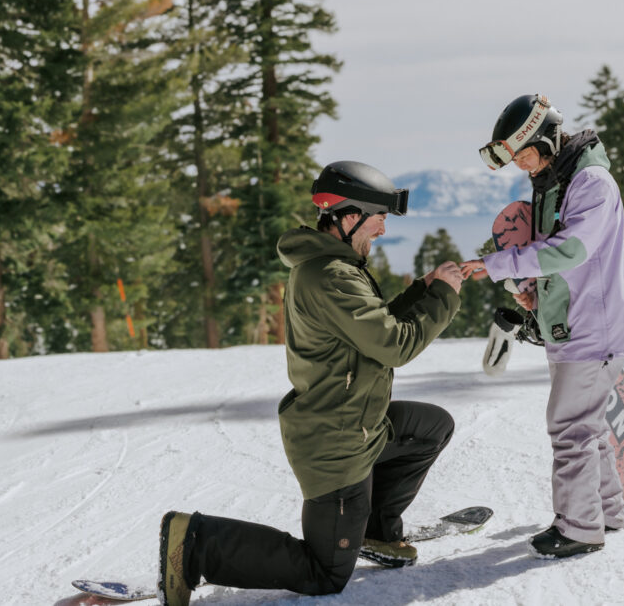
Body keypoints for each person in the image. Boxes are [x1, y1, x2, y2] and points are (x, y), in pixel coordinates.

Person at [158, 161, 464, 605]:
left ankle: (374, 531)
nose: (381, 231)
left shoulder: (333, 267)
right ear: (346, 216)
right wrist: (444, 297)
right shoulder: (331, 276)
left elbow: (373, 327)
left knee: (431, 427)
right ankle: (197, 542)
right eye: (378, 219)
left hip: (361, 424)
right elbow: (395, 345)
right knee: (325, 574)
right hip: (336, 446)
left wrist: (424, 288)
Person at [461, 94, 624, 559]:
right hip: (573, 324)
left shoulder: (591, 183)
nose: (520, 166)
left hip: (594, 327)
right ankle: (606, 511)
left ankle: (580, 528)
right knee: (589, 426)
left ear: (544, 139)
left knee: (569, 427)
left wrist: (501, 264)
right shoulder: (554, 183)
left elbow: (572, 251)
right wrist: (535, 293)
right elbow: (560, 264)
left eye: (522, 154)